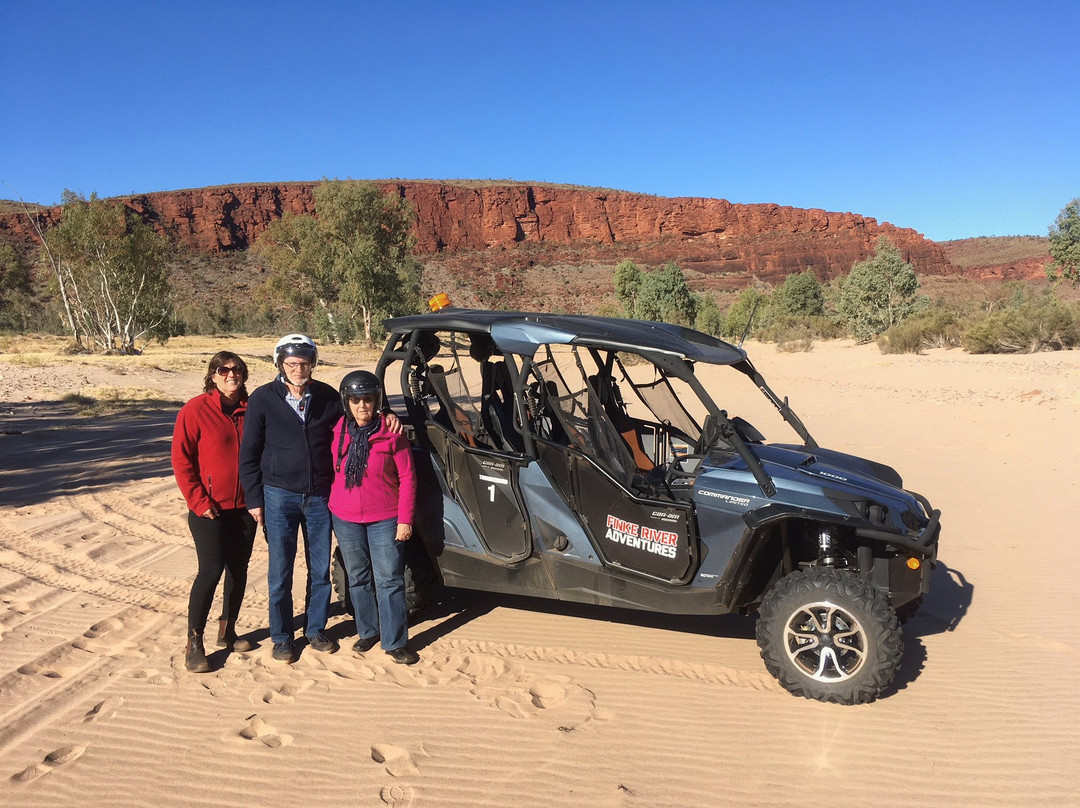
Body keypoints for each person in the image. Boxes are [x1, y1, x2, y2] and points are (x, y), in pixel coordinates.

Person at [239, 334, 344, 663]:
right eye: (292, 362)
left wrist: (389, 418)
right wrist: (254, 499)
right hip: (278, 496)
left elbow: (354, 425)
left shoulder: (328, 396)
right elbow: (249, 454)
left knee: (320, 570)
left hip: (319, 497)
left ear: (313, 362)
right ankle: (282, 636)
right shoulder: (262, 399)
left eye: (305, 361)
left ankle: (315, 629)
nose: (299, 368)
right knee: (280, 570)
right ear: (280, 363)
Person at [171, 351, 258, 673]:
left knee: (239, 569)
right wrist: (198, 501)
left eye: (237, 369)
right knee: (210, 571)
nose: (231, 374)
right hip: (209, 510)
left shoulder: (252, 409)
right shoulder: (195, 410)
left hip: (246, 508)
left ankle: (228, 631)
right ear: (213, 375)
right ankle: (195, 642)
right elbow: (182, 460)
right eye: (224, 370)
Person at [329, 370, 419, 665]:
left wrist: (405, 519)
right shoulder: (338, 430)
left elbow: (408, 478)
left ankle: (394, 641)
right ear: (347, 402)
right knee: (357, 577)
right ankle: (368, 630)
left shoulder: (392, 433)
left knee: (389, 579)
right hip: (345, 517)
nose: (361, 406)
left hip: (385, 517)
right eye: (355, 400)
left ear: (377, 401)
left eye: (368, 399)